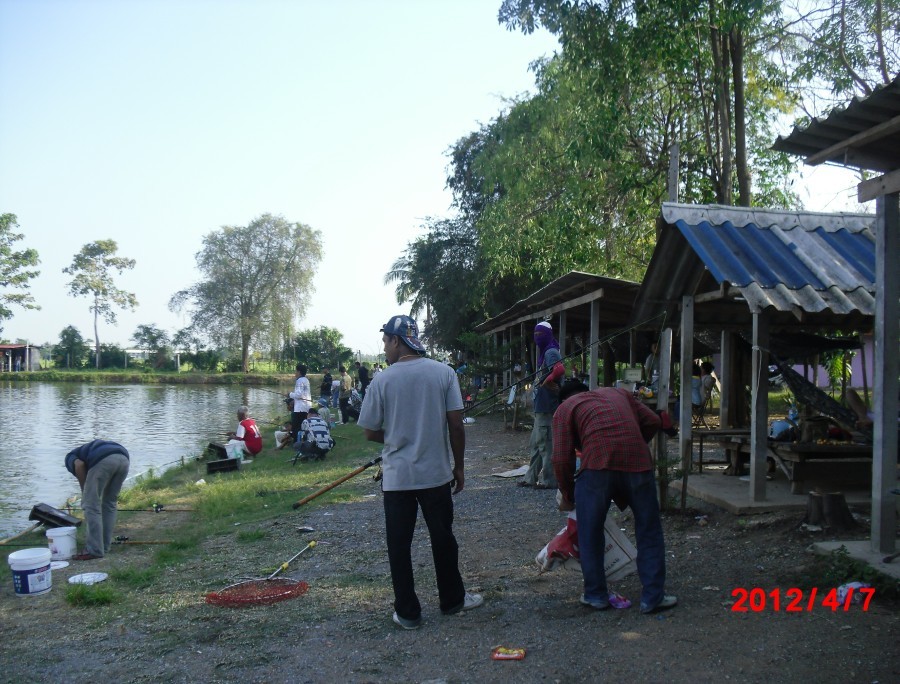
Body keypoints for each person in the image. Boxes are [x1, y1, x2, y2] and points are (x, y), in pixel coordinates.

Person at [357, 314, 483, 630]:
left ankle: (408, 612)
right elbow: (456, 424)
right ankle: (453, 600)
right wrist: (460, 467)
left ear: (397, 341)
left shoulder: (382, 380)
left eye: (386, 340)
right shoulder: (444, 373)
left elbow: (370, 432)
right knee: (443, 539)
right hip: (436, 475)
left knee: (399, 546)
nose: (384, 347)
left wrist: (398, 435)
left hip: (397, 478)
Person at [552, 380, 677, 614]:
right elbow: (652, 420)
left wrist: (568, 493)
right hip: (637, 462)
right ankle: (653, 597)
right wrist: (634, 444)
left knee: (589, 530)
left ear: (562, 399)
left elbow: (560, 458)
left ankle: (596, 595)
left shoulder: (564, 409)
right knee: (648, 529)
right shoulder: (617, 392)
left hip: (597, 466)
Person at [64, 439, 130, 561]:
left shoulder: (69, 458)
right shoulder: (88, 450)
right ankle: (104, 546)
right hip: (123, 458)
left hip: (104, 459)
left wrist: (85, 493)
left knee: (90, 505)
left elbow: (79, 466)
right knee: (109, 503)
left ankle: (94, 550)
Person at [520, 321, 565, 489]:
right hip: (540, 408)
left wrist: (547, 381)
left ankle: (549, 480)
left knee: (546, 445)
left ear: (548, 335)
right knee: (536, 445)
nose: (537, 337)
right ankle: (530, 477)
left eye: (541, 334)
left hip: (548, 407)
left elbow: (559, 370)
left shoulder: (551, 351)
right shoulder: (544, 353)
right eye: (535, 334)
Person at [288, 363, 312, 442]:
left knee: (296, 426)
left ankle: (297, 442)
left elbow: (299, 394)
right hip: (306, 407)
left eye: (296, 371)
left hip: (300, 408)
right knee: (304, 426)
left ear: (299, 372)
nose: (295, 373)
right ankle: (303, 441)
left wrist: (289, 394)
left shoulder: (300, 380)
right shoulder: (306, 380)